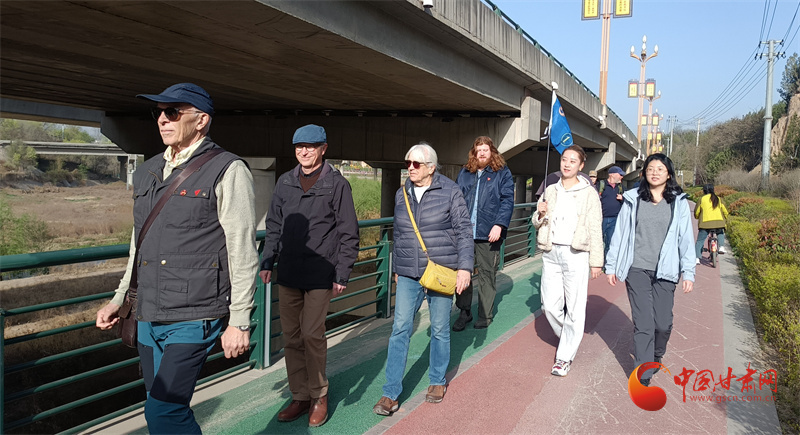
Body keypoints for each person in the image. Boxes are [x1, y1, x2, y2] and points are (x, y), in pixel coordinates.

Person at [95, 83, 259, 434]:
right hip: (147, 312)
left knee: (163, 411)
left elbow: (242, 250)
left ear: (201, 120)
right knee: (159, 406)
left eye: (172, 112)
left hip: (194, 315)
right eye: (158, 113)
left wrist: (240, 320)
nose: (162, 120)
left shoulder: (228, 169)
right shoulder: (148, 171)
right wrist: (119, 298)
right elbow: (138, 245)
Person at [259, 124, 359, 427]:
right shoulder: (285, 182)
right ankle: (300, 395)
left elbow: (348, 232)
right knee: (291, 338)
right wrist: (267, 260)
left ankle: (319, 395)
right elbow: (273, 225)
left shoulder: (336, 184)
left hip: (320, 272)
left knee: (311, 335)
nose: (304, 152)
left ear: (323, 149)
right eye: (299, 147)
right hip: (289, 272)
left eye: (310, 146)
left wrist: (342, 273)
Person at [373, 143, 473, 415]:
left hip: (440, 270)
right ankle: (390, 393)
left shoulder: (450, 191)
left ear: (431, 167)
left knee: (439, 328)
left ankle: (437, 381)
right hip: (408, 272)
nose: (410, 168)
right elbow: (399, 233)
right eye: (408, 163)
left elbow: (464, 231)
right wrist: (397, 267)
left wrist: (465, 267)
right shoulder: (401, 193)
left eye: (416, 164)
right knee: (400, 329)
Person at [605, 153, 695, 387]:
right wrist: (611, 265)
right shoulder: (633, 199)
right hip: (637, 268)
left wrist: (689, 271)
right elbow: (620, 234)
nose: (655, 173)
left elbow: (685, 239)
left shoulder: (678, 202)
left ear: (669, 174)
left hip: (666, 270)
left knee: (662, 324)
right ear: (644, 172)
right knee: (644, 323)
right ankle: (643, 372)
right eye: (650, 169)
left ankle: (656, 354)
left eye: (660, 169)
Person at [531, 145, 603, 377]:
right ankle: (570, 337)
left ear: (581, 166)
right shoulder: (551, 189)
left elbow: (595, 227)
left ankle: (563, 358)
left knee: (574, 307)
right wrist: (539, 214)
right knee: (549, 306)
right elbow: (537, 221)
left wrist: (596, 261)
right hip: (551, 252)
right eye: (564, 159)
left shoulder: (589, 193)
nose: (567, 164)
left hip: (576, 254)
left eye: (573, 161)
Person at [453, 136, 514, 331]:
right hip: (464, 232)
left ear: (491, 152)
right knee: (463, 272)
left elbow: (507, 200)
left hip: (489, 232)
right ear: (474, 153)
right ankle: (464, 312)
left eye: (485, 150)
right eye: (478, 150)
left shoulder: (501, 172)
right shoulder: (465, 172)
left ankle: (485, 315)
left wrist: (499, 224)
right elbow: (455, 198)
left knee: (487, 274)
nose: (481, 153)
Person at [694, 183, 729, 264]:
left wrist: (697, 217)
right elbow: (725, 211)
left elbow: (697, 212)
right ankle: (721, 247)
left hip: (705, 224)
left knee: (700, 241)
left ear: (704, 191)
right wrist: (725, 218)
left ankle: (697, 258)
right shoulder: (718, 199)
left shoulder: (702, 199)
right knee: (720, 233)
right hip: (719, 222)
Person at [597, 165, 625, 257]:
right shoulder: (600, 185)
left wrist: (622, 198)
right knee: (597, 242)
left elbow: (628, 202)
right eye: (620, 174)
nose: (622, 177)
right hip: (601, 219)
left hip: (615, 219)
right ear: (612, 175)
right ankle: (597, 261)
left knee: (611, 243)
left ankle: (607, 262)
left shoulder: (621, 187)